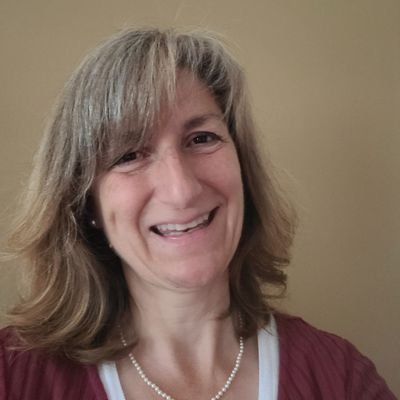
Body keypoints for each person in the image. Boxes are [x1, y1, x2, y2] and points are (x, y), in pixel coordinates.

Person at [0, 27, 395, 400]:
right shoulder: (12, 377)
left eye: (202, 138)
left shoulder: (341, 378)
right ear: (87, 204)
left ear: (243, 168)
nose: (182, 189)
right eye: (129, 155)